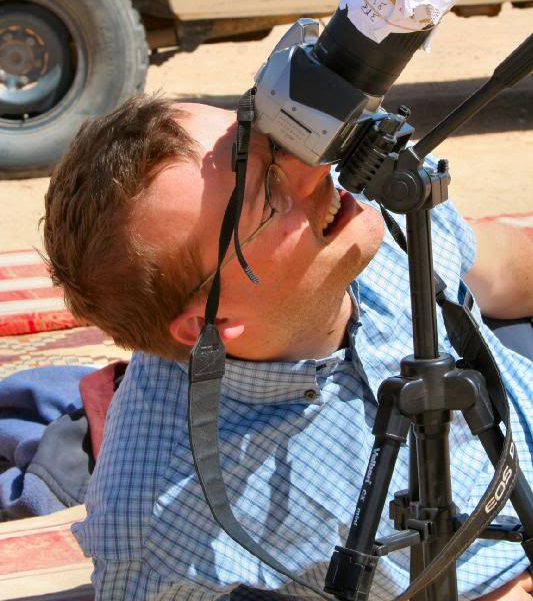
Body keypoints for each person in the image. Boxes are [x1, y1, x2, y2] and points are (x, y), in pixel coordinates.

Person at [43, 95, 533, 600]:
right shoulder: (161, 528)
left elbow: (502, 268)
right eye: (268, 196)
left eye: (271, 146)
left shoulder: (362, 205)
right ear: (213, 321)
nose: (314, 167)